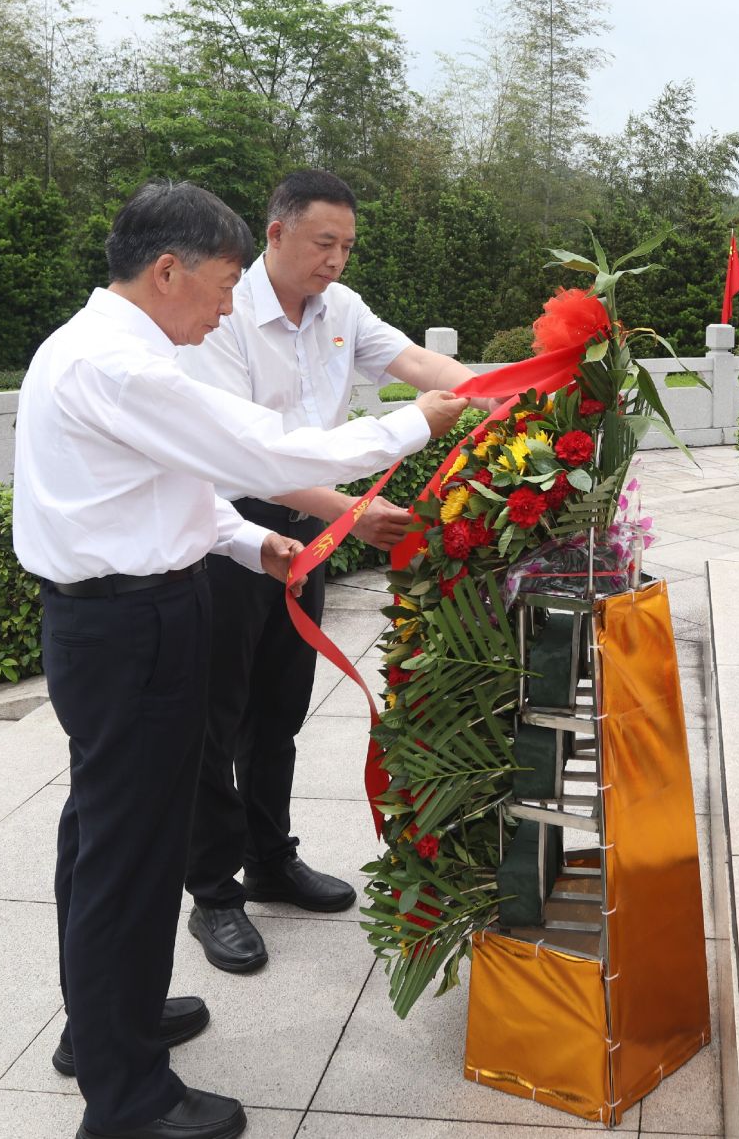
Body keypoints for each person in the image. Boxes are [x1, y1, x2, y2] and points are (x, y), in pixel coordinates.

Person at [12, 180, 464, 1139]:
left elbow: (170, 482)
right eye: (222, 286)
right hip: (131, 629)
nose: (227, 307)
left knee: (102, 838)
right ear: (166, 271)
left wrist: (248, 542)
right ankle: (128, 1099)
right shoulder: (121, 366)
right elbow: (263, 452)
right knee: (129, 858)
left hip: (124, 617)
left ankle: (105, 1026)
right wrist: (413, 423)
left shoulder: (100, 348)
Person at [177, 169, 477, 972]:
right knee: (215, 719)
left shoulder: (340, 309)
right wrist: (350, 512)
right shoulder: (225, 315)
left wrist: (502, 390)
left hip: (311, 531)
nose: (336, 259)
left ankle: (270, 857)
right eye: (323, 243)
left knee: (279, 708)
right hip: (233, 532)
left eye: (346, 245)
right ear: (275, 233)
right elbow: (248, 460)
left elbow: (414, 361)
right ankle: (213, 893)